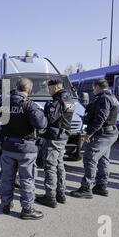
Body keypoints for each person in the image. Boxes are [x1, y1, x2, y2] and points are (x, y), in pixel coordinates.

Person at [0, 78, 47, 220]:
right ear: (29, 90)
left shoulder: (5, 103)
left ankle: (6, 204)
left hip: (8, 146)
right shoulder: (30, 105)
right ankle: (27, 209)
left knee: (7, 177)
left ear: (17, 88)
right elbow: (41, 124)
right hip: (26, 149)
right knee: (27, 178)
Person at [71, 79, 119, 199]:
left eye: (94, 88)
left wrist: (89, 133)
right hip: (110, 132)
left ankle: (86, 188)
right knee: (103, 159)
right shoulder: (112, 97)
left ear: (97, 86)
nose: (93, 90)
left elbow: (101, 118)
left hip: (103, 133)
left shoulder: (103, 98)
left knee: (89, 158)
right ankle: (101, 186)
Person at [36, 79, 74, 208]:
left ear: (56, 87)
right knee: (59, 165)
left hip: (54, 136)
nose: (48, 90)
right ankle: (60, 193)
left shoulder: (58, 100)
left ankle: (50, 197)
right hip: (63, 136)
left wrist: (43, 110)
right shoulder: (69, 98)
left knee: (50, 166)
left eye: (50, 88)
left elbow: (50, 119)